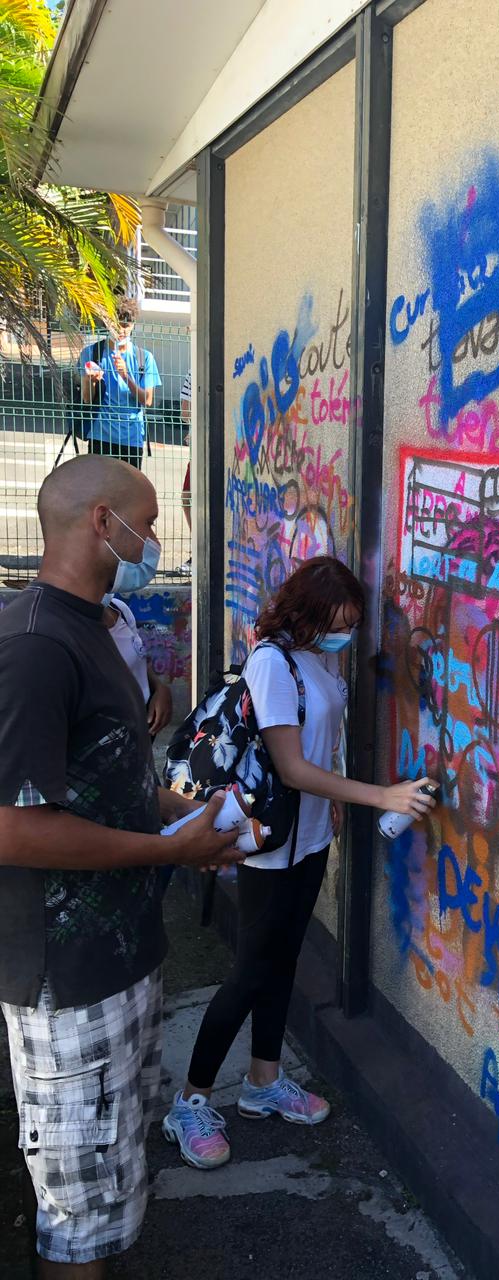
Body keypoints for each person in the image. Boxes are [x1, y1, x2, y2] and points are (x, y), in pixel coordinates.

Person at [0, 454, 243, 1278]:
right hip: (66, 980)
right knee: (77, 1213)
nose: (156, 540)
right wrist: (170, 850)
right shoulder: (35, 646)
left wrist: (180, 813)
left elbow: (110, 772)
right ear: (102, 523)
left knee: (110, 1185)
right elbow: (15, 828)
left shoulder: (96, 627)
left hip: (122, 957)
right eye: (148, 522)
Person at [162, 556, 436, 1169]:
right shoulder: (273, 662)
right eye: (335, 624)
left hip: (308, 838)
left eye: (351, 624)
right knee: (249, 973)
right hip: (270, 845)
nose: (344, 635)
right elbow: (290, 768)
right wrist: (379, 797)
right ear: (305, 614)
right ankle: (189, 1101)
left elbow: (323, 735)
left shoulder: (318, 657)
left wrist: (333, 798)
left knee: (282, 961)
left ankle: (263, 1081)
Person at [79, 298, 161, 470]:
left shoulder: (144, 358)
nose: (121, 331)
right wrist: (91, 381)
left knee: (128, 487)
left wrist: (126, 376)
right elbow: (87, 399)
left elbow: (147, 400)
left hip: (132, 437)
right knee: (99, 486)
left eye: (126, 325)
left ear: (133, 325)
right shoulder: (92, 353)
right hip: (101, 435)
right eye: (116, 325)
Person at [104, 594, 173, 737]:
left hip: (142, 727)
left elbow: (138, 657)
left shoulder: (119, 609)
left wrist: (159, 687)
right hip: (110, 735)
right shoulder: (67, 626)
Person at [178, 370, 192, 575]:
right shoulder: (194, 370)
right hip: (199, 446)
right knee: (188, 497)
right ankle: (199, 549)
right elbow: (185, 412)